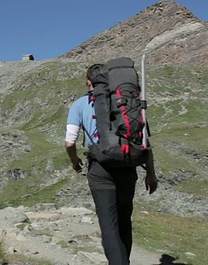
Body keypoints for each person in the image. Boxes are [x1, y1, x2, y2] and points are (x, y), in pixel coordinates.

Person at [65, 64, 158, 265]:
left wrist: (74, 162)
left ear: (89, 82)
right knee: (124, 221)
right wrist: (151, 174)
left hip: (100, 170)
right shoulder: (128, 103)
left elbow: (70, 142)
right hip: (128, 167)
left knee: (109, 226)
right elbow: (145, 142)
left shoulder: (80, 104)